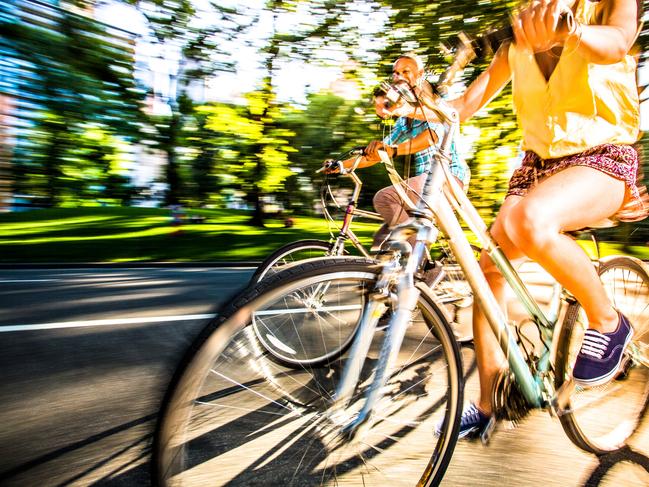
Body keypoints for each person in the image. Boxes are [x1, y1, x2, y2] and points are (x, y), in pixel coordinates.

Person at [423, 0, 646, 439]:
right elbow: (463, 106)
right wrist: (414, 106)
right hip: (537, 169)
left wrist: (571, 32)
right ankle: (489, 404)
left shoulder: (605, 7)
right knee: (486, 275)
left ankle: (608, 322)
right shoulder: (517, 40)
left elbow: (617, 42)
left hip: (602, 159)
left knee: (529, 219)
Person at [326, 54, 470, 253]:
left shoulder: (434, 102)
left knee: (384, 199)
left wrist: (392, 150)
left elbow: (432, 137)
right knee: (381, 244)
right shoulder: (404, 120)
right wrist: (340, 165)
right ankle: (417, 276)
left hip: (447, 178)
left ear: (419, 75)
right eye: (395, 72)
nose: (399, 76)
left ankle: (422, 257)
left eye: (405, 71)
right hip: (424, 184)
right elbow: (377, 155)